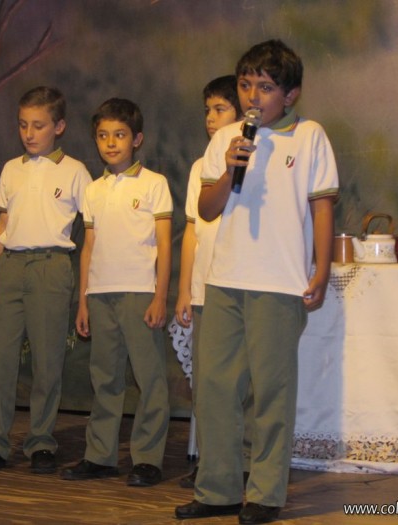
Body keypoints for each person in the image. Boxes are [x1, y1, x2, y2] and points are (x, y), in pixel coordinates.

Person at [175, 40, 339, 524]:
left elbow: (321, 207)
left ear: (290, 95)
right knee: (215, 389)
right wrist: (230, 168)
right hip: (224, 279)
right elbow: (206, 209)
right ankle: (218, 489)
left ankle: (265, 492)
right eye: (246, 84)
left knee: (271, 391)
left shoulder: (310, 136)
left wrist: (322, 268)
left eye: (265, 87)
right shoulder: (226, 139)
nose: (252, 95)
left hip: (280, 283)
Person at [0, 86, 92, 475]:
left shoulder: (75, 171)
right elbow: (2, 224)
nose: (29, 133)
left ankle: (41, 442)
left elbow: (92, 230)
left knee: (47, 361)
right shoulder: (11, 169)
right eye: (23, 125)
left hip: (51, 266)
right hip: (11, 267)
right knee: (1, 362)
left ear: (59, 126)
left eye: (38, 125)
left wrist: (86, 291)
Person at [61, 98, 172, 487]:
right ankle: (100, 456)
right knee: (105, 378)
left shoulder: (154, 184)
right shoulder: (93, 190)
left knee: (149, 378)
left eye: (120, 135)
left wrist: (160, 295)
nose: (111, 143)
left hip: (140, 293)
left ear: (136, 139)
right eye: (103, 135)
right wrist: (83, 300)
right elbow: (88, 247)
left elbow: (164, 243)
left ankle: (148, 459)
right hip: (101, 294)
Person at [174, 75, 253, 489]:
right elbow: (193, 228)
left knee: (246, 382)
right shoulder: (199, 167)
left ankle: (247, 463)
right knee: (208, 382)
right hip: (205, 285)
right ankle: (211, 464)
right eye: (207, 110)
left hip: (241, 281)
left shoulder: (257, 155)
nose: (210, 117)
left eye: (220, 109)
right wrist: (184, 289)